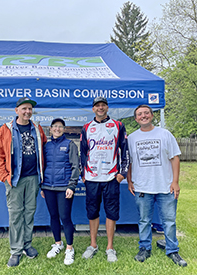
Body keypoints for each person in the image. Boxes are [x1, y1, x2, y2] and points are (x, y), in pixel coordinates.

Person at [127, 104, 187, 267]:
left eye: (146, 113)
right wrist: (130, 180)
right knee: (144, 220)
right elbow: (130, 162)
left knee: (169, 221)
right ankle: (144, 248)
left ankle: (172, 250)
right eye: (140, 114)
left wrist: (175, 182)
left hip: (165, 186)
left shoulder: (165, 134)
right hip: (142, 187)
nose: (143, 116)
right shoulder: (132, 138)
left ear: (152, 115)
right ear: (136, 118)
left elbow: (175, 158)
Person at [0, 97, 47, 267]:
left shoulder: (37, 128)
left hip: (33, 178)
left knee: (29, 213)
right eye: (24, 108)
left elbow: (44, 148)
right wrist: (4, 177)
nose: (27, 112)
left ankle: (27, 244)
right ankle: (15, 251)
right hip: (15, 180)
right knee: (16, 214)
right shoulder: (6, 129)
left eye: (30, 109)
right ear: (16, 110)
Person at [80, 96, 129, 262]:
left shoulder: (118, 125)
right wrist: (83, 175)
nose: (100, 108)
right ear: (93, 109)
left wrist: (123, 173)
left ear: (107, 108)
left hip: (111, 177)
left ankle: (110, 247)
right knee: (92, 212)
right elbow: (82, 153)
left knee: (111, 212)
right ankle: (93, 245)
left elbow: (125, 150)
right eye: (97, 106)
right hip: (92, 177)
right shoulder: (86, 127)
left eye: (103, 105)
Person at [40, 118, 80, 265]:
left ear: (64, 129)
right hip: (48, 187)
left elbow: (76, 166)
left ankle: (69, 248)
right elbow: (42, 166)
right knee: (53, 216)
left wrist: (71, 186)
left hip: (64, 188)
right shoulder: (46, 146)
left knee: (65, 217)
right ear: (50, 129)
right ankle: (58, 244)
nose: (57, 129)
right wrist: (42, 186)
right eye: (55, 126)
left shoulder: (70, 144)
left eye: (60, 127)